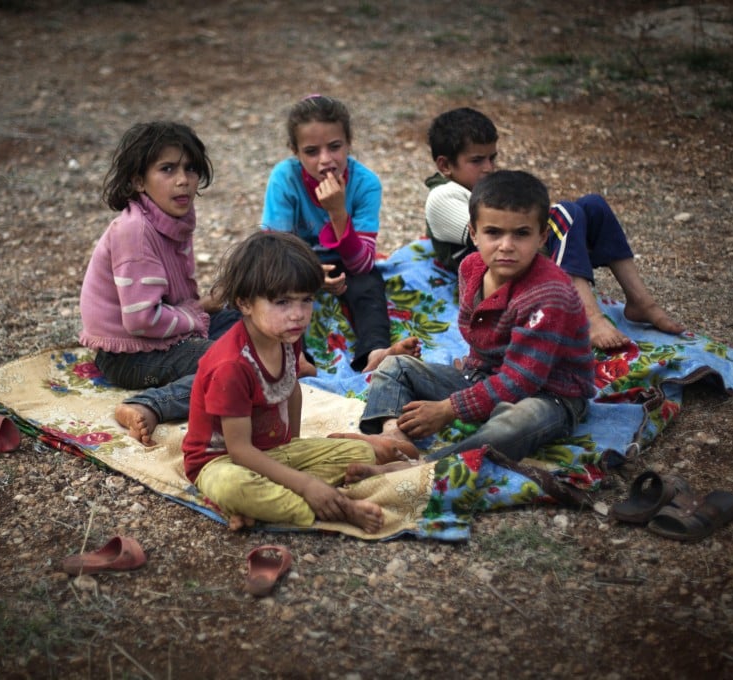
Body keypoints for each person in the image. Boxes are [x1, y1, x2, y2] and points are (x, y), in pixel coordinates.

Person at [334, 170, 596, 481]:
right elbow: (480, 338)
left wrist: (448, 409)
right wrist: (470, 379)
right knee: (395, 366)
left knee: (516, 423)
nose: (506, 245)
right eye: (493, 232)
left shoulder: (548, 294)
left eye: (522, 234)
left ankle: (427, 464)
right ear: (473, 233)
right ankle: (395, 439)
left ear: (542, 237)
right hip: (485, 376)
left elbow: (520, 381)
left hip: (550, 394)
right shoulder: (471, 267)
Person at [424, 107, 685, 350]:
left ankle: (641, 301)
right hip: (496, 267)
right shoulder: (442, 197)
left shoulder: (480, 190)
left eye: (492, 158)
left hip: (519, 255)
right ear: (445, 165)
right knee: (564, 214)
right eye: (477, 161)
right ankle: (589, 316)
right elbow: (493, 235)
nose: (489, 168)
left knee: (593, 205)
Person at [181, 231, 385, 534]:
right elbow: (239, 451)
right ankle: (335, 508)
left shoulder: (287, 338)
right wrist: (305, 483)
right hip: (221, 462)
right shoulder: (231, 365)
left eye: (306, 300)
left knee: (361, 453)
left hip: (270, 451)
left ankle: (263, 507)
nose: (298, 315)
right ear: (245, 303)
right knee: (233, 487)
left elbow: (292, 387)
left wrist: (294, 447)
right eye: (282, 302)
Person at [78, 122, 240, 446]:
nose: (183, 180)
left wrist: (204, 306)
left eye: (190, 168)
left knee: (248, 320)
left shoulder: (173, 219)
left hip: (163, 336)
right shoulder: (135, 231)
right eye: (167, 169)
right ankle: (149, 404)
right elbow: (140, 319)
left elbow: (169, 296)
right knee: (228, 366)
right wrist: (195, 314)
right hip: (129, 354)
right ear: (138, 180)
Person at [261, 94, 419, 372]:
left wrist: (337, 212)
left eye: (335, 147)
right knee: (272, 292)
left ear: (349, 143)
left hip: (347, 260)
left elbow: (362, 262)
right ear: (295, 152)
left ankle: (375, 350)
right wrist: (310, 274)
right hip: (292, 261)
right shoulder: (284, 178)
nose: (326, 160)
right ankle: (294, 357)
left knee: (369, 283)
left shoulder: (366, 183)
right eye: (311, 151)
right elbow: (273, 250)